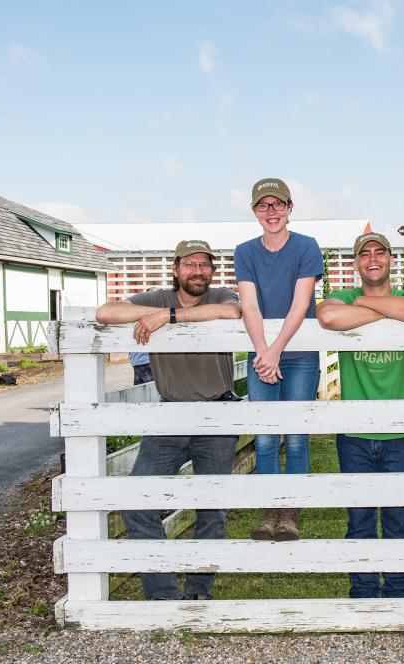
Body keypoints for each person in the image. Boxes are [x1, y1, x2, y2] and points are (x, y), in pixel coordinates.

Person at [95, 240, 242, 600]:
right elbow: (104, 313)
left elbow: (233, 313)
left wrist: (169, 318)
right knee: (136, 499)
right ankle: (163, 595)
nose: (198, 271)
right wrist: (155, 311)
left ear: (213, 271)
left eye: (205, 264)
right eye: (189, 264)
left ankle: (197, 593)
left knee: (212, 509)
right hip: (170, 414)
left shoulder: (220, 294)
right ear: (175, 270)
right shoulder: (158, 297)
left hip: (217, 414)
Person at [316, 231, 404, 598]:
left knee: (399, 520)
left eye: (379, 252)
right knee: (360, 520)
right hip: (354, 433)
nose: (372, 258)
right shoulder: (344, 297)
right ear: (356, 263)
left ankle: (399, 593)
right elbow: (329, 316)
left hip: (400, 433)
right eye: (364, 254)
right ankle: (364, 593)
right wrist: (382, 308)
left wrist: (365, 307)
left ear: (390, 260)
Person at [234, 178, 323, 542]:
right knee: (266, 437)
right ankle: (270, 511)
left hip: (298, 354)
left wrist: (276, 350)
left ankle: (290, 514)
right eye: (263, 206)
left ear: (290, 208)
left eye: (277, 205)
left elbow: (301, 304)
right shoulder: (245, 252)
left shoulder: (306, 247)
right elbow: (249, 305)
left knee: (297, 437)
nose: (271, 212)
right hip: (262, 355)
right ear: (255, 212)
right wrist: (262, 354)